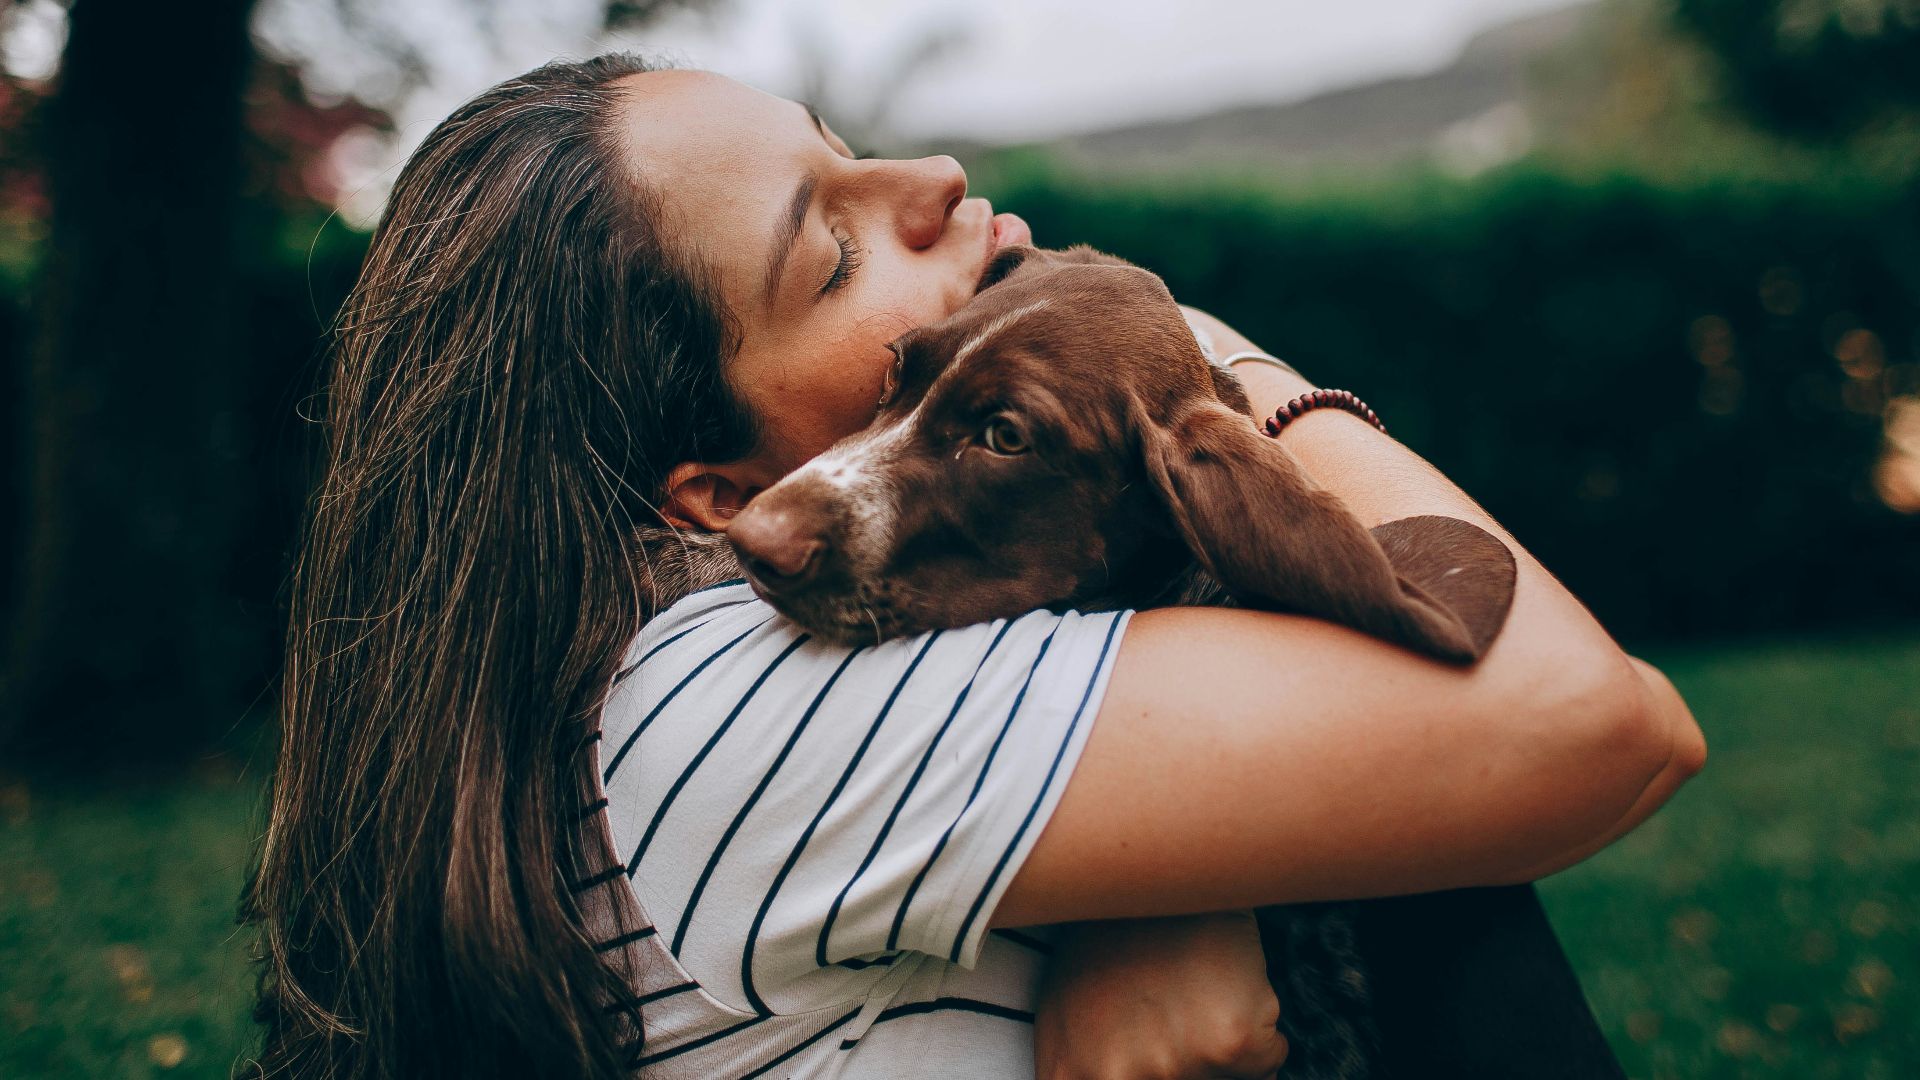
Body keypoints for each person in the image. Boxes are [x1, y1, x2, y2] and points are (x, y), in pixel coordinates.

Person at [241, 52, 1704, 1080]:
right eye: (829, 248)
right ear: (720, 496)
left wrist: (1193, 890)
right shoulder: (714, 698)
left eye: (841, 145)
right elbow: (1594, 722)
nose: (933, 178)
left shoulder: (783, 660)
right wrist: (1197, 359)